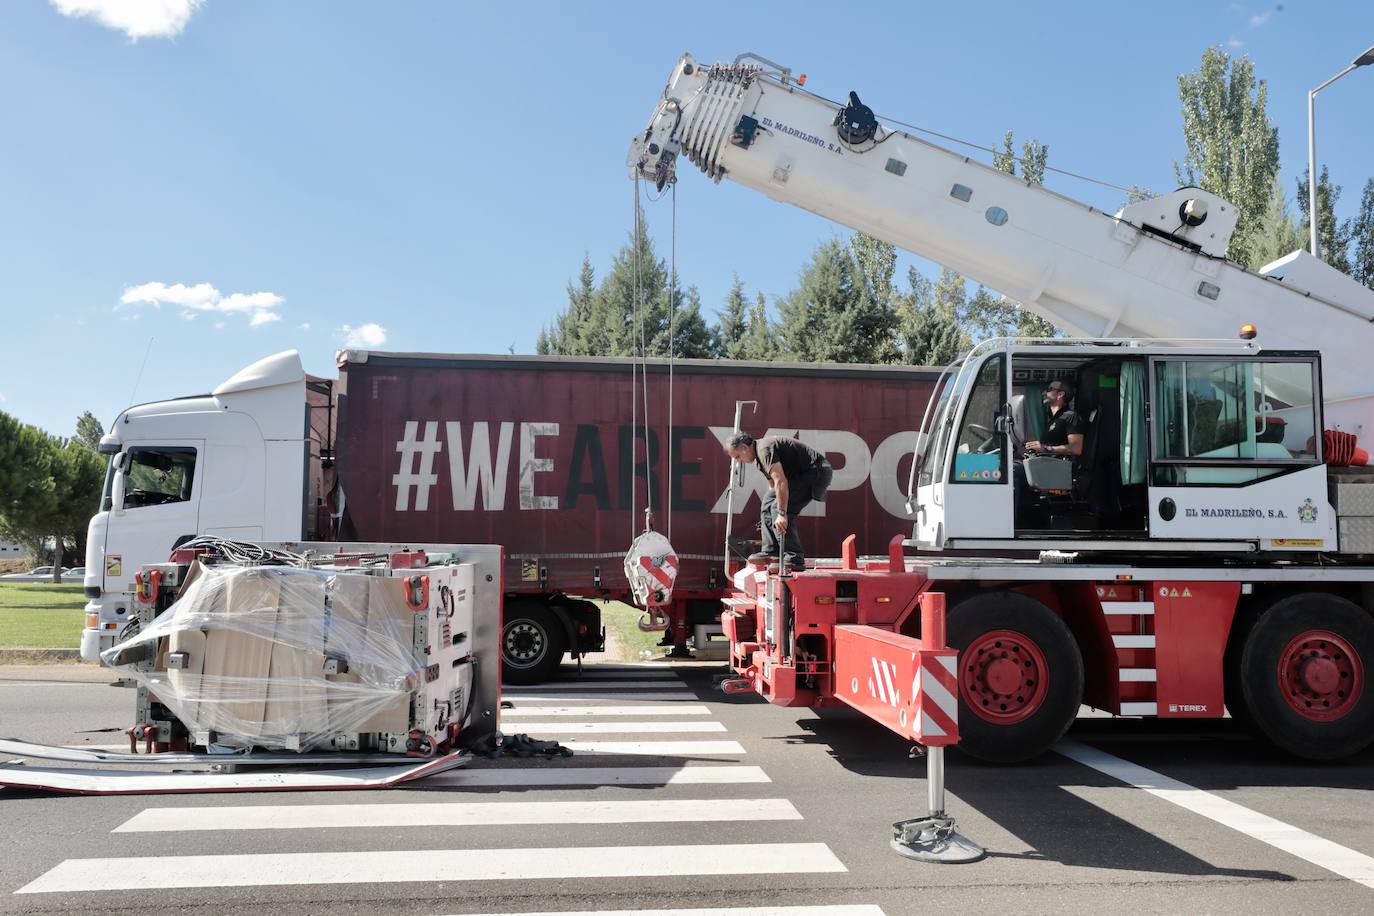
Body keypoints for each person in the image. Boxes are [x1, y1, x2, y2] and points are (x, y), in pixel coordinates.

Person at [724, 432, 833, 571]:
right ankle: (772, 551)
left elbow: (780, 481)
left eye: (738, 456)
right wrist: (768, 516)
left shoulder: (764, 451)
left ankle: (794, 557)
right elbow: (772, 488)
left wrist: (781, 513)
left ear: (745, 447)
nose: (739, 461)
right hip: (803, 474)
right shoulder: (759, 459)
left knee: (778, 507)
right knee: (767, 503)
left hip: (816, 471)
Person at [1025, 379, 1084, 460]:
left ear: (1060, 394)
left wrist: (1045, 448)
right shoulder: (1053, 419)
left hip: (1059, 467)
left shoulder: (1071, 416)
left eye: (1049, 390)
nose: (1044, 393)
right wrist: (1038, 445)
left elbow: (1076, 449)